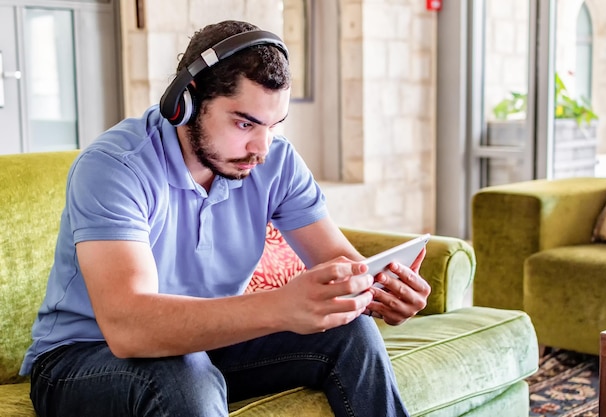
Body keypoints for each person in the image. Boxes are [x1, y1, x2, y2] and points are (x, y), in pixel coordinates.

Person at [20, 20, 431, 417]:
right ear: (187, 101)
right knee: (182, 374)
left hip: (208, 344)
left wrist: (378, 291)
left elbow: (339, 263)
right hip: (82, 359)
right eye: (244, 123)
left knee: (352, 334)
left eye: (273, 126)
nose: (261, 148)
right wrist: (281, 307)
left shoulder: (276, 162)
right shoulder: (116, 167)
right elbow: (130, 328)